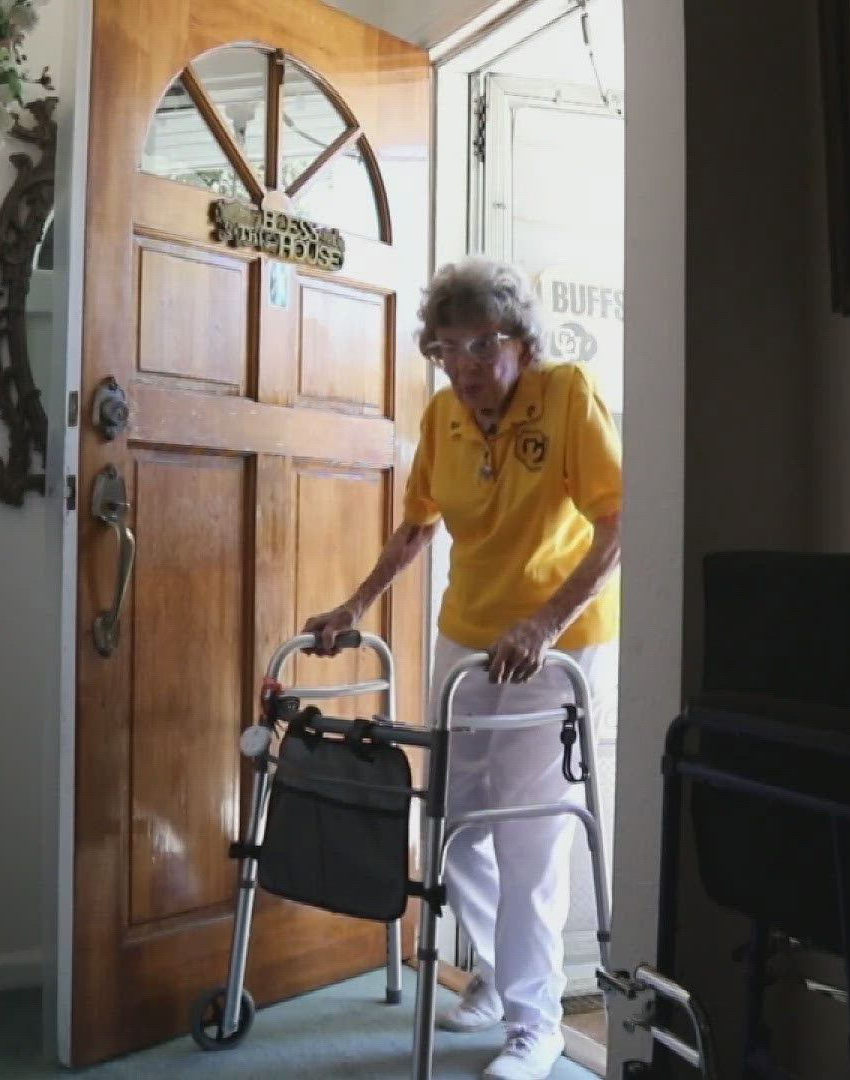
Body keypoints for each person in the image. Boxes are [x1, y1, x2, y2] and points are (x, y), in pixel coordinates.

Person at [303, 257, 621, 1080]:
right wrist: (354, 605)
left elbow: (622, 520)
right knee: (455, 824)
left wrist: (547, 623)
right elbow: (417, 527)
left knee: (526, 833)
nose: (468, 366)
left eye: (483, 345)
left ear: (520, 341)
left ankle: (535, 1022)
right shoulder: (444, 413)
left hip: (555, 644)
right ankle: (497, 972)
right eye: (448, 349)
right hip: (468, 638)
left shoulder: (568, 394)